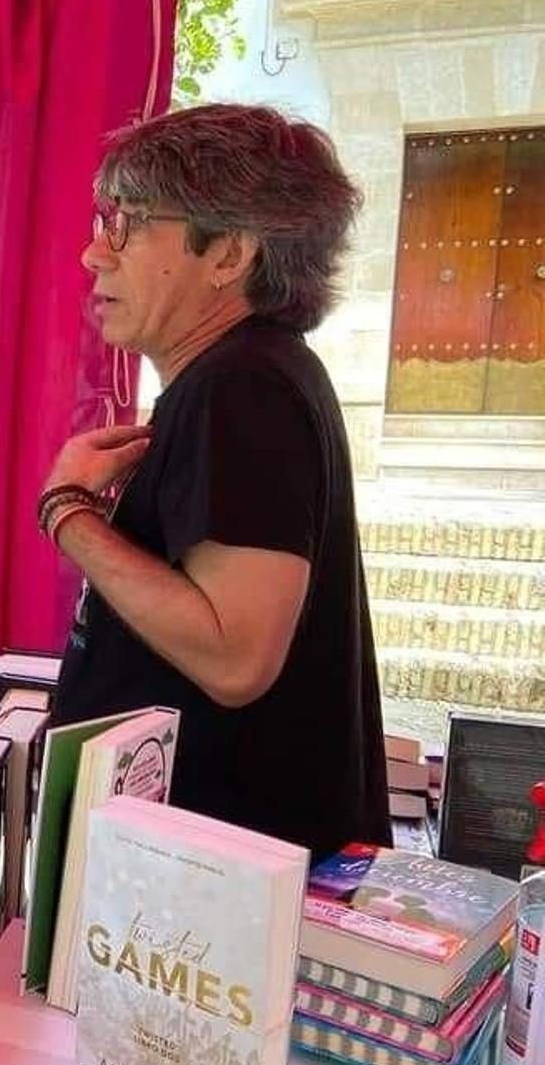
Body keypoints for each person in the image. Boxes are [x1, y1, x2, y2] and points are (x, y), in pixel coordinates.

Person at [42, 103, 390, 861]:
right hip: (207, 876)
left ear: (229, 252)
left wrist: (67, 511)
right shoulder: (245, 376)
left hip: (214, 887)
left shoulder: (242, 387)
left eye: (130, 223)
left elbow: (235, 657)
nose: (95, 253)